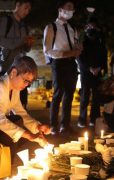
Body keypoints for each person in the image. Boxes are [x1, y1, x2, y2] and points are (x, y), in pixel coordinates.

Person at [43, 0, 82, 135]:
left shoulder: (73, 29)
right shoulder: (51, 27)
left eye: (73, 8)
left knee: (69, 95)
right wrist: (67, 53)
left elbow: (76, 46)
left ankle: (65, 125)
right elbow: (47, 50)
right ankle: (53, 125)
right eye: (68, 7)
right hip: (58, 63)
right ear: (60, 9)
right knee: (58, 93)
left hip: (71, 63)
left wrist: (77, 49)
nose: (71, 10)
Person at [0, 0, 34, 108]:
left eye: (29, 10)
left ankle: (20, 119)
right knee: (5, 94)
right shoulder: (6, 21)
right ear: (17, 5)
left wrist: (28, 44)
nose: (27, 12)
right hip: (7, 64)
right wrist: (21, 40)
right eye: (25, 8)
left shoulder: (24, 26)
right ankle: (3, 119)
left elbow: (25, 48)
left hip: (21, 65)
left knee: (21, 97)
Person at [77, 17, 107, 128]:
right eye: (89, 26)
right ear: (86, 28)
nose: (91, 28)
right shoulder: (82, 41)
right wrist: (89, 68)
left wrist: (100, 68)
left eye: (94, 26)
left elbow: (104, 56)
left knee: (96, 97)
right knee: (85, 96)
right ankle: (82, 119)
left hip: (97, 72)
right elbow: (79, 57)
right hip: (86, 72)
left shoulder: (100, 41)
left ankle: (94, 118)